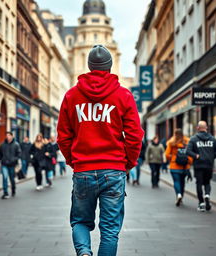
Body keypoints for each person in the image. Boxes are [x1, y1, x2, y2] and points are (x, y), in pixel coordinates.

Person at [57, 45, 144, 256]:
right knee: (110, 230)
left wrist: (74, 161)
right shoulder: (123, 95)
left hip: (84, 169)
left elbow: (63, 136)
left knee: (80, 221)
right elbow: (134, 136)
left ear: (89, 66)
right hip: (114, 169)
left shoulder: (72, 96)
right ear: (109, 66)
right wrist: (128, 164)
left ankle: (84, 253)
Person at [187, 121, 216, 212]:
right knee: (207, 182)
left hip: (198, 165)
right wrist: (211, 157)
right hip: (208, 165)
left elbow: (188, 151)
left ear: (198, 128)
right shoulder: (213, 139)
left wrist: (195, 156)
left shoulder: (193, 139)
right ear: (206, 128)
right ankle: (207, 195)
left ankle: (201, 203)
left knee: (199, 183)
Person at [165, 129, 193, 206]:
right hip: (185, 166)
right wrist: (189, 162)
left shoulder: (171, 142)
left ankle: (178, 194)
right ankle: (181, 197)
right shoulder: (187, 141)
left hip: (174, 166)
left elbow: (167, 154)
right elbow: (191, 153)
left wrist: (173, 158)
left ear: (175, 134)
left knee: (176, 181)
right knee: (182, 182)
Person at [0, 132, 21, 199]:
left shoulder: (16, 144)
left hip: (12, 165)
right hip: (4, 164)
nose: (8, 137)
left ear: (12, 136)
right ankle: (5, 193)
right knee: (5, 178)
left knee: (12, 179)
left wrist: (14, 159)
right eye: (7, 135)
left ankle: (13, 189)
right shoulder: (2, 145)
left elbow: (19, 154)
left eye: (9, 135)